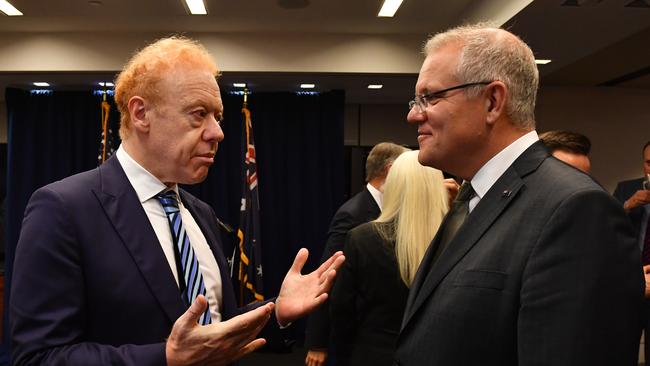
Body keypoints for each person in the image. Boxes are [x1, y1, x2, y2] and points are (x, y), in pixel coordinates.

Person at [10, 36, 344, 366]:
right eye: (199, 114)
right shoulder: (63, 210)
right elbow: (39, 357)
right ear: (141, 114)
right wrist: (165, 358)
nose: (217, 133)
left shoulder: (201, 214)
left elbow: (213, 327)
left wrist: (276, 309)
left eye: (218, 117)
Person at [395, 23, 644, 366]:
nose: (413, 114)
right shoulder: (473, 195)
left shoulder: (576, 210)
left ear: (493, 101)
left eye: (431, 97)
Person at [329, 150, 448, 366]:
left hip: (371, 356)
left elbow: (341, 312)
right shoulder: (457, 238)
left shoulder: (361, 239)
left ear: (392, 185)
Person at [304, 142, 407, 366]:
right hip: (353, 341)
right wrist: (318, 342)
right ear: (390, 171)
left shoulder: (390, 210)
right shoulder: (354, 214)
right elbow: (328, 275)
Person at [613, 141, 650, 360]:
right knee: (622, 347)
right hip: (630, 281)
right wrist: (627, 205)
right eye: (648, 163)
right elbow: (603, 225)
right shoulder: (626, 188)